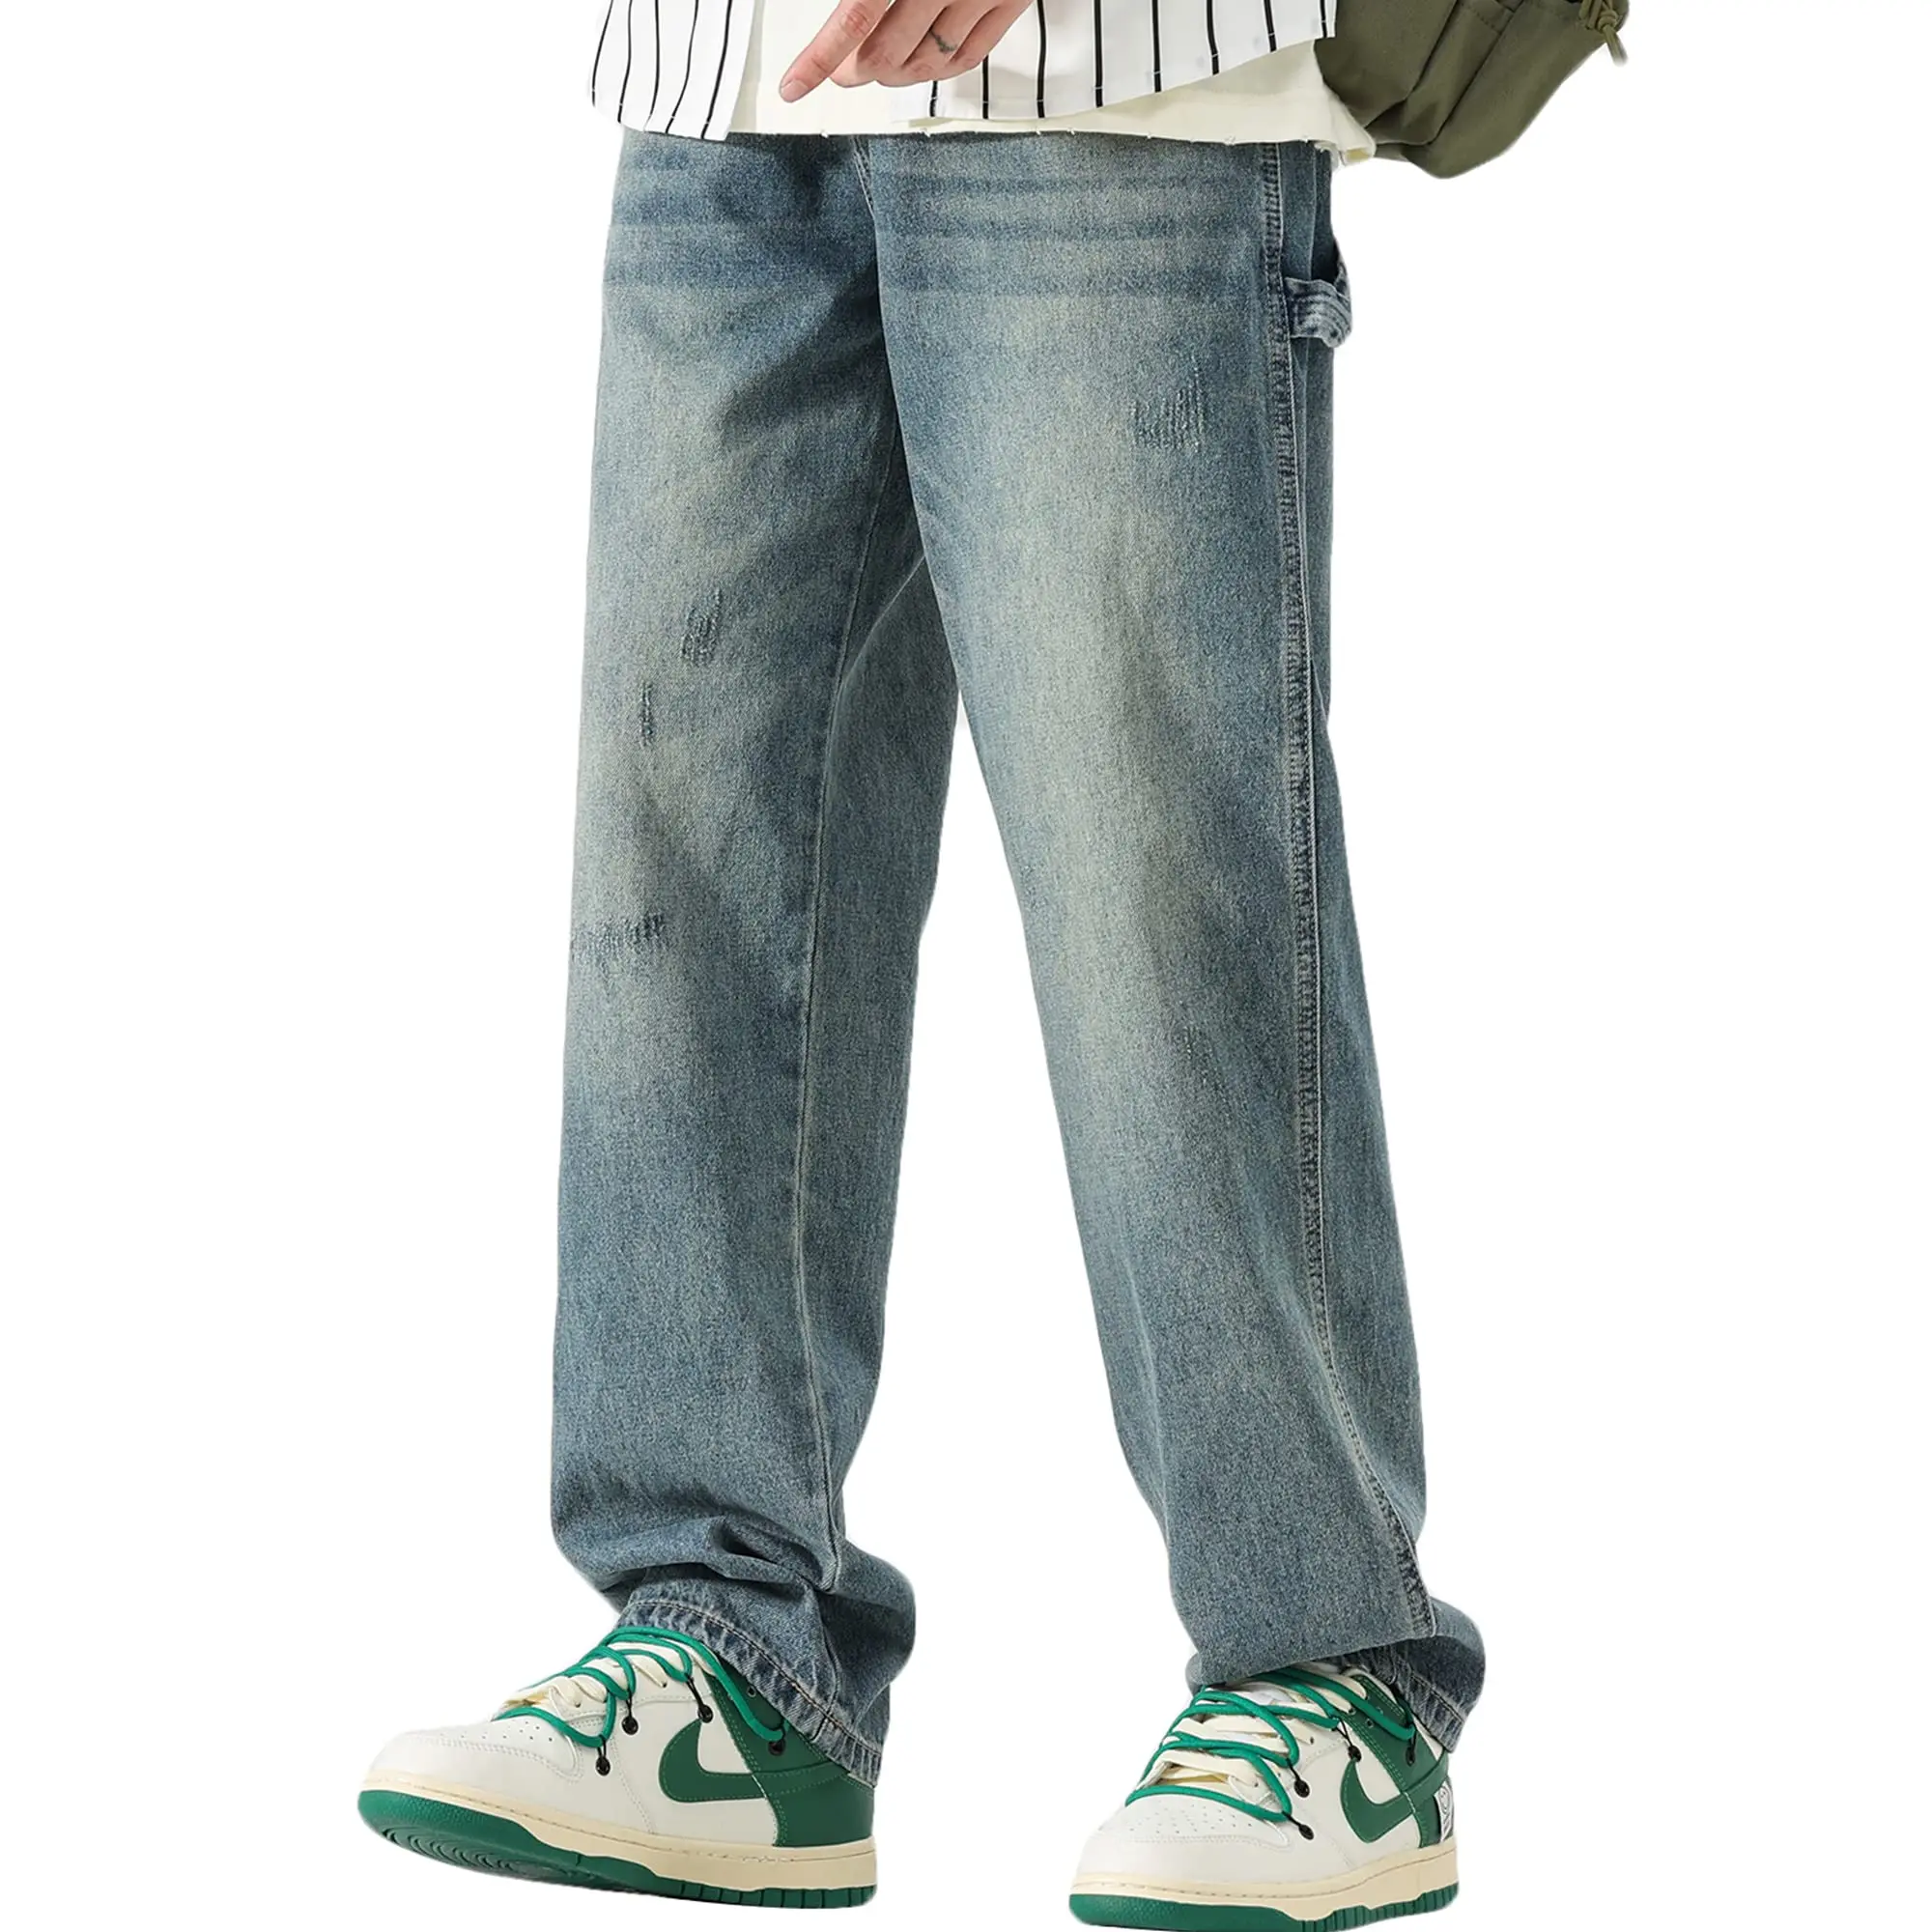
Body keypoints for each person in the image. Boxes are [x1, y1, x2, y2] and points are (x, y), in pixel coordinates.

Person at [357, 2, 1485, 1922]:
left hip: (1123, 76)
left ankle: (1329, 1671)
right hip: (717, 76)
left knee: (1151, 876)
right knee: (685, 872)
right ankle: (730, 1655)